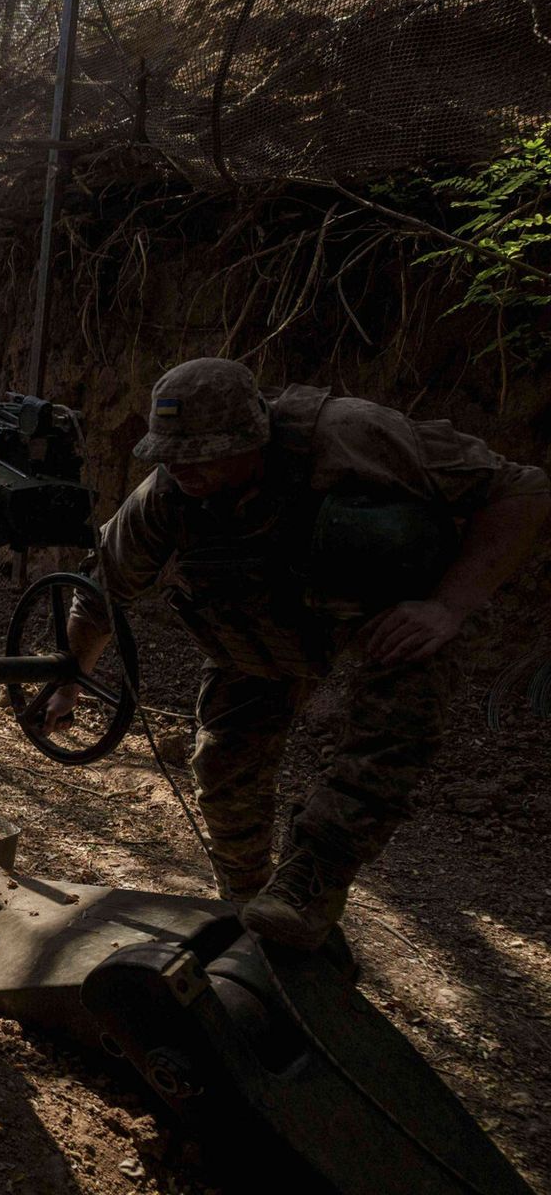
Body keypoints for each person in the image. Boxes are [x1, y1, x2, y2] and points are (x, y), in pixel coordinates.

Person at [48, 358, 547, 949]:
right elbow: (101, 591)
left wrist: (449, 605)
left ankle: (315, 878)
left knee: (394, 726)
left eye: (203, 454)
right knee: (223, 766)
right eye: (171, 454)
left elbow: (523, 488)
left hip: (390, 616)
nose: (183, 469)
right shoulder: (165, 497)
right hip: (262, 631)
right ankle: (251, 899)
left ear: (252, 436)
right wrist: (71, 678)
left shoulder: (354, 438)